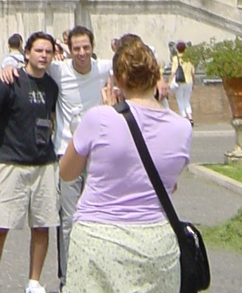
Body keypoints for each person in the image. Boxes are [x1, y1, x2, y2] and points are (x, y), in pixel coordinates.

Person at [58, 36, 192, 293]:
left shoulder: (99, 117)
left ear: (117, 80)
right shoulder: (182, 128)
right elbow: (170, 186)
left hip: (99, 238)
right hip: (156, 239)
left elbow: (67, 172)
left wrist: (110, 113)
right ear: (155, 77)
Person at [0, 23, 109, 288]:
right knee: (69, 219)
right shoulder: (59, 70)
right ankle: (69, 280)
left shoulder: (104, 68)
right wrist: (8, 67)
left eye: (86, 48)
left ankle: (98, 275)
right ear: (68, 50)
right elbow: (33, 66)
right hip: (67, 152)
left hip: (99, 155)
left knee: (101, 217)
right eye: (76, 48)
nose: (81, 53)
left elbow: (137, 58)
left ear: (93, 49)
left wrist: (160, 79)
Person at [0, 30, 60, 293]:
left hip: (43, 163)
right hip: (10, 162)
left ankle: (34, 281)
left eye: (48, 51)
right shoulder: (10, 81)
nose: (44, 55)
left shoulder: (51, 85)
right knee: (0, 225)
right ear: (27, 53)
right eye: (39, 50)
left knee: (42, 225)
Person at [168, 42, 193, 124]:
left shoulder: (176, 58)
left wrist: (169, 82)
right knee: (187, 100)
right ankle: (190, 117)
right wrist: (194, 82)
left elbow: (173, 72)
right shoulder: (189, 58)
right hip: (189, 81)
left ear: (177, 49)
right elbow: (193, 72)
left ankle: (184, 117)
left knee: (180, 100)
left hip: (180, 81)